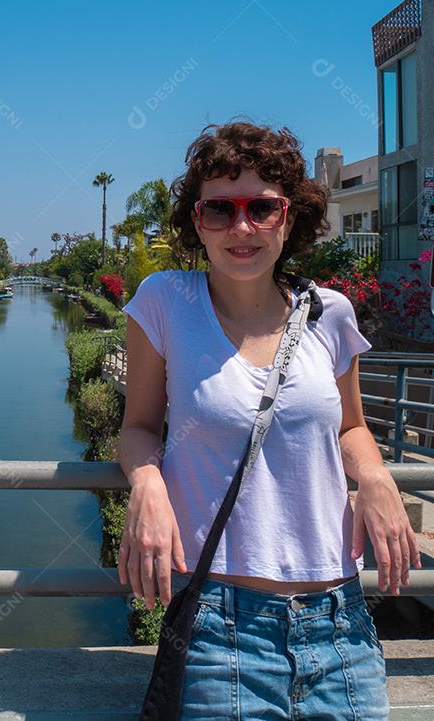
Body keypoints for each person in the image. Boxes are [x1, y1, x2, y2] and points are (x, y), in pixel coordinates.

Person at [118, 121, 420, 720]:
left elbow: (351, 429)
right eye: (219, 210)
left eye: (261, 207)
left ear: (290, 216)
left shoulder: (329, 313)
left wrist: (377, 478)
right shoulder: (164, 302)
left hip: (341, 623)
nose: (242, 227)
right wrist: (147, 483)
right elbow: (140, 426)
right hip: (220, 627)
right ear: (195, 221)